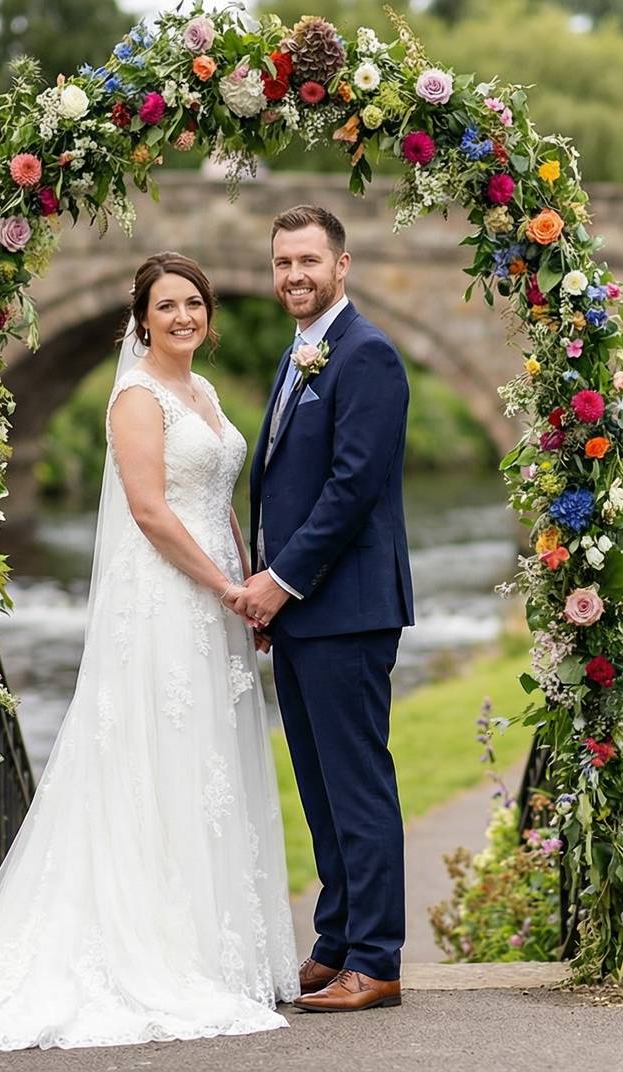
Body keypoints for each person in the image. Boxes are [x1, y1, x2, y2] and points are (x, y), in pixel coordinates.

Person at [0, 253, 298, 1049]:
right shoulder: (135, 397)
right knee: (156, 757)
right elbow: (149, 511)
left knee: (204, 764)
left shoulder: (204, 392)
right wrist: (225, 588)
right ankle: (150, 948)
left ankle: (213, 947)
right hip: (166, 600)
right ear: (140, 317)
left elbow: (217, 502)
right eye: (167, 306)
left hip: (218, 596)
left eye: (194, 304)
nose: (183, 316)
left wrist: (247, 584)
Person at [234, 205, 415, 1013]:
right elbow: (282, 482)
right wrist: (272, 591)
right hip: (304, 610)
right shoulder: (301, 354)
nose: (293, 275)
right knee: (319, 786)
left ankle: (376, 961)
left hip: (345, 607)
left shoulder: (368, 355)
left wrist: (281, 580)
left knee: (357, 782)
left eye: (308, 260)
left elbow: (351, 490)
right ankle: (336, 941)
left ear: (342, 265)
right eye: (282, 263)